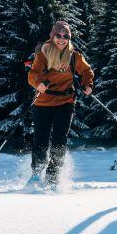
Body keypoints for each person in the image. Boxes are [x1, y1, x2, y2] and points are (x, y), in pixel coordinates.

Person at [26, 20, 94, 188]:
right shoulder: (43, 53)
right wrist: (38, 84)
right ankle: (36, 174)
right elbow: (33, 74)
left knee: (59, 141)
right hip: (43, 102)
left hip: (65, 101)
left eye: (66, 36)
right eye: (58, 36)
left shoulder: (74, 55)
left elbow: (87, 71)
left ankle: (53, 176)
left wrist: (87, 85)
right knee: (40, 140)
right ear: (52, 36)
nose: (62, 39)